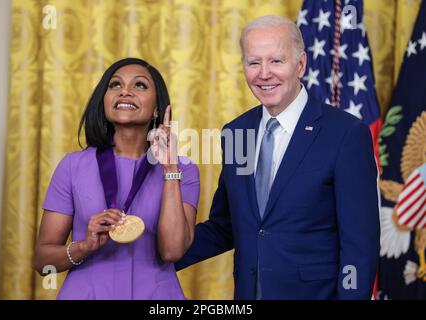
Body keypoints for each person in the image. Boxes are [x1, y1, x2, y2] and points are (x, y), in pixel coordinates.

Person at [175, 15, 380, 299]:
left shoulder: (345, 134)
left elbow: (360, 244)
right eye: (254, 62)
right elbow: (227, 226)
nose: (264, 73)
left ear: (301, 64)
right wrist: (154, 256)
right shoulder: (237, 132)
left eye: (276, 61)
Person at [34, 57, 200, 300]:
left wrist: (169, 167)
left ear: (157, 108)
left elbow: (172, 250)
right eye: (115, 85)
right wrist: (84, 246)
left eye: (140, 85)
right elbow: (42, 260)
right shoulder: (72, 166)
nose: (125, 91)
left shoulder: (183, 169)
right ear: (104, 102)